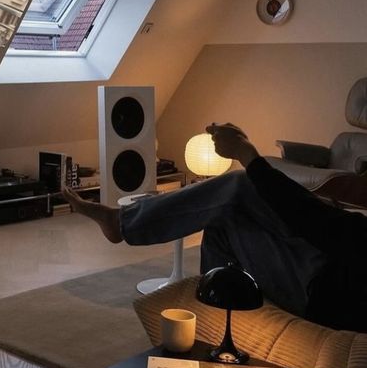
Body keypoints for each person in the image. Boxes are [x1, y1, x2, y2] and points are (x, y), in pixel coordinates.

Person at [64, 122, 367, 333]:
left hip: (325, 293)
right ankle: (215, 308)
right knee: (237, 189)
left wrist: (247, 155)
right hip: (329, 260)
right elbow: (329, 226)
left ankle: (213, 313)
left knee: (228, 209)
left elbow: (315, 222)